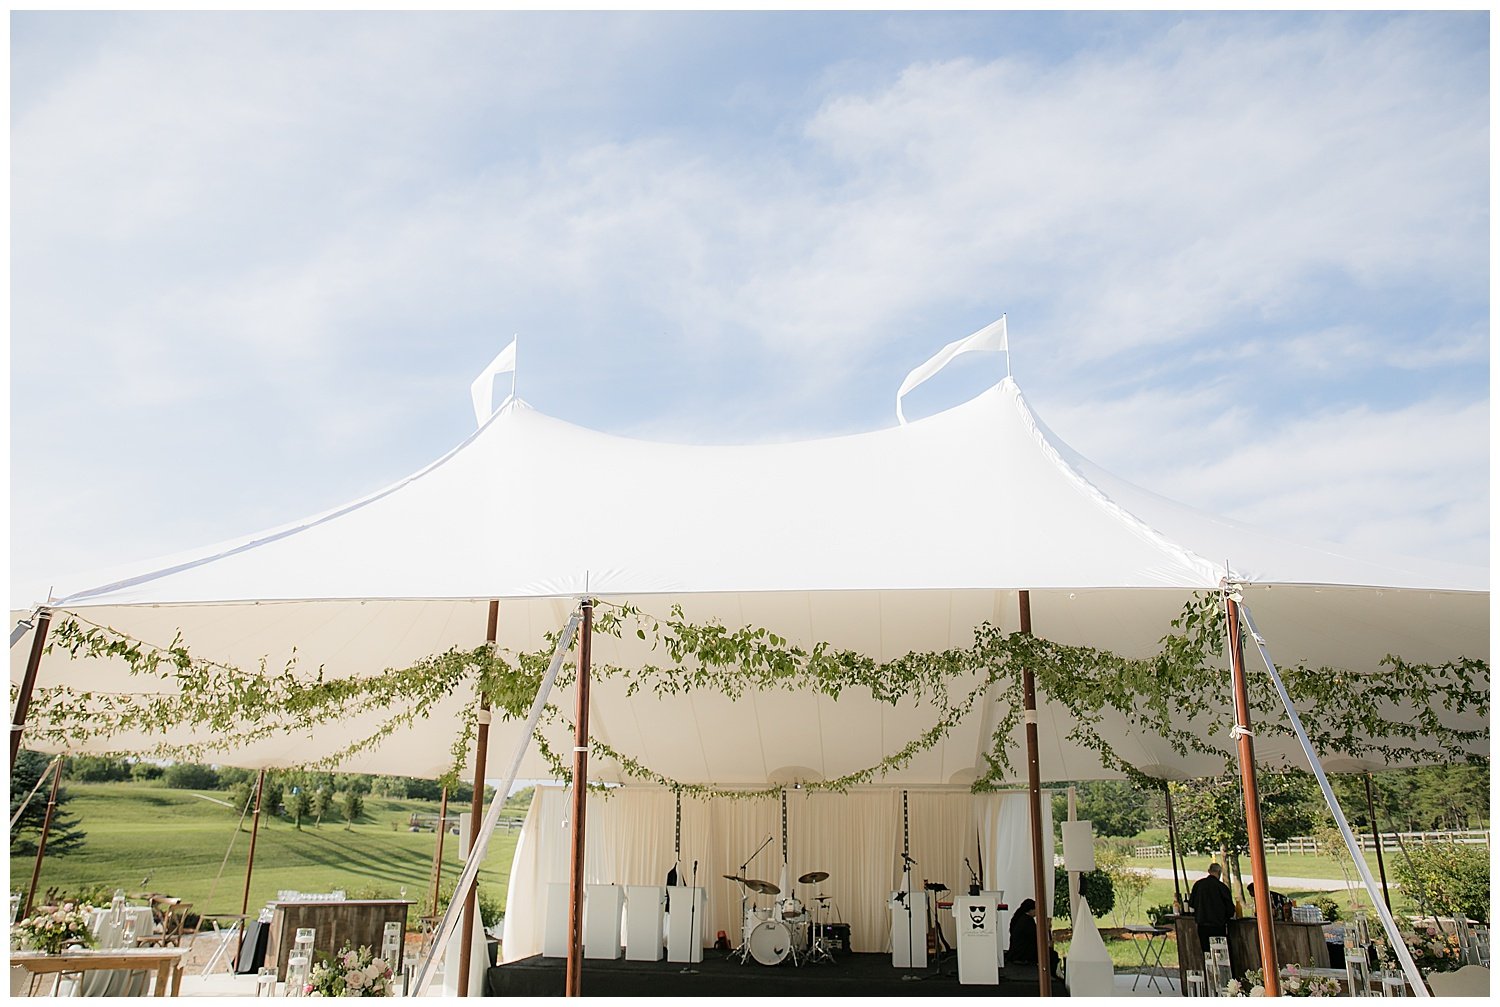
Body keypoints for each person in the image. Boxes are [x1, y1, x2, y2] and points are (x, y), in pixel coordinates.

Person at [1188, 863, 1236, 969]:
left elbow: (1191, 904)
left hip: (1202, 925)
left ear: (1209, 871)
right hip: (1218, 926)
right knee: (1220, 956)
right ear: (1219, 873)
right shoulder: (1222, 887)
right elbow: (1230, 910)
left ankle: (1209, 975)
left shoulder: (1198, 885)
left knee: (1207, 954)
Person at [1007, 898, 1062, 979]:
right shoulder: (1027, 921)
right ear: (1031, 910)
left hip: (1018, 951)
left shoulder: (1020, 918)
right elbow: (1036, 937)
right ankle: (1051, 975)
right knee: (1053, 955)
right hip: (1023, 953)